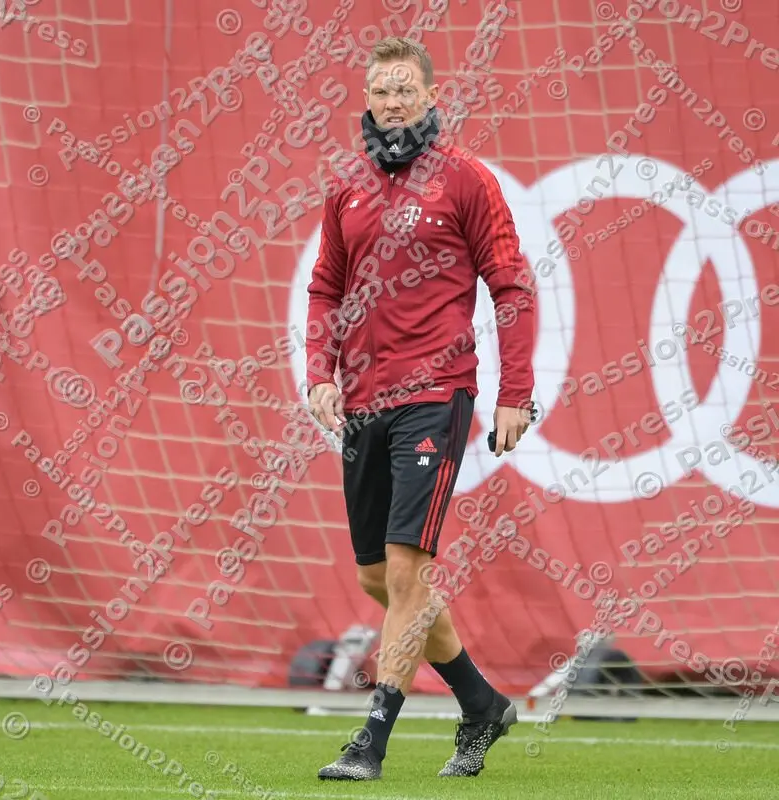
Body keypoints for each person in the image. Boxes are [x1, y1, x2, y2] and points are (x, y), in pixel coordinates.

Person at [305, 37, 536, 781]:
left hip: (437, 397)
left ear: (432, 97)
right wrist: (320, 373)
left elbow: (511, 288)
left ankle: (370, 741)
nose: (393, 100)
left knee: (407, 573)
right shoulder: (344, 187)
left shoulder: (466, 180)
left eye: (406, 89)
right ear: (366, 99)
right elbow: (325, 291)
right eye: (381, 90)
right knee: (379, 579)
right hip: (363, 404)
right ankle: (481, 704)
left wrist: (515, 395)